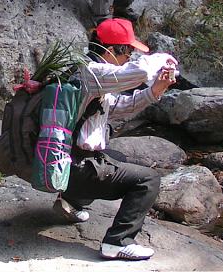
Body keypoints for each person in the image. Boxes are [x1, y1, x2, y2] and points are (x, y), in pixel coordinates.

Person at [52, 18, 176, 260]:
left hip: (63, 159)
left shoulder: (84, 71)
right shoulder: (93, 72)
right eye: (128, 50)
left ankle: (71, 201)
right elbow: (140, 72)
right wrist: (163, 59)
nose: (129, 56)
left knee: (117, 157)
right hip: (73, 166)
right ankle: (117, 242)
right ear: (110, 50)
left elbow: (120, 107)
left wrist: (155, 91)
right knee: (148, 180)